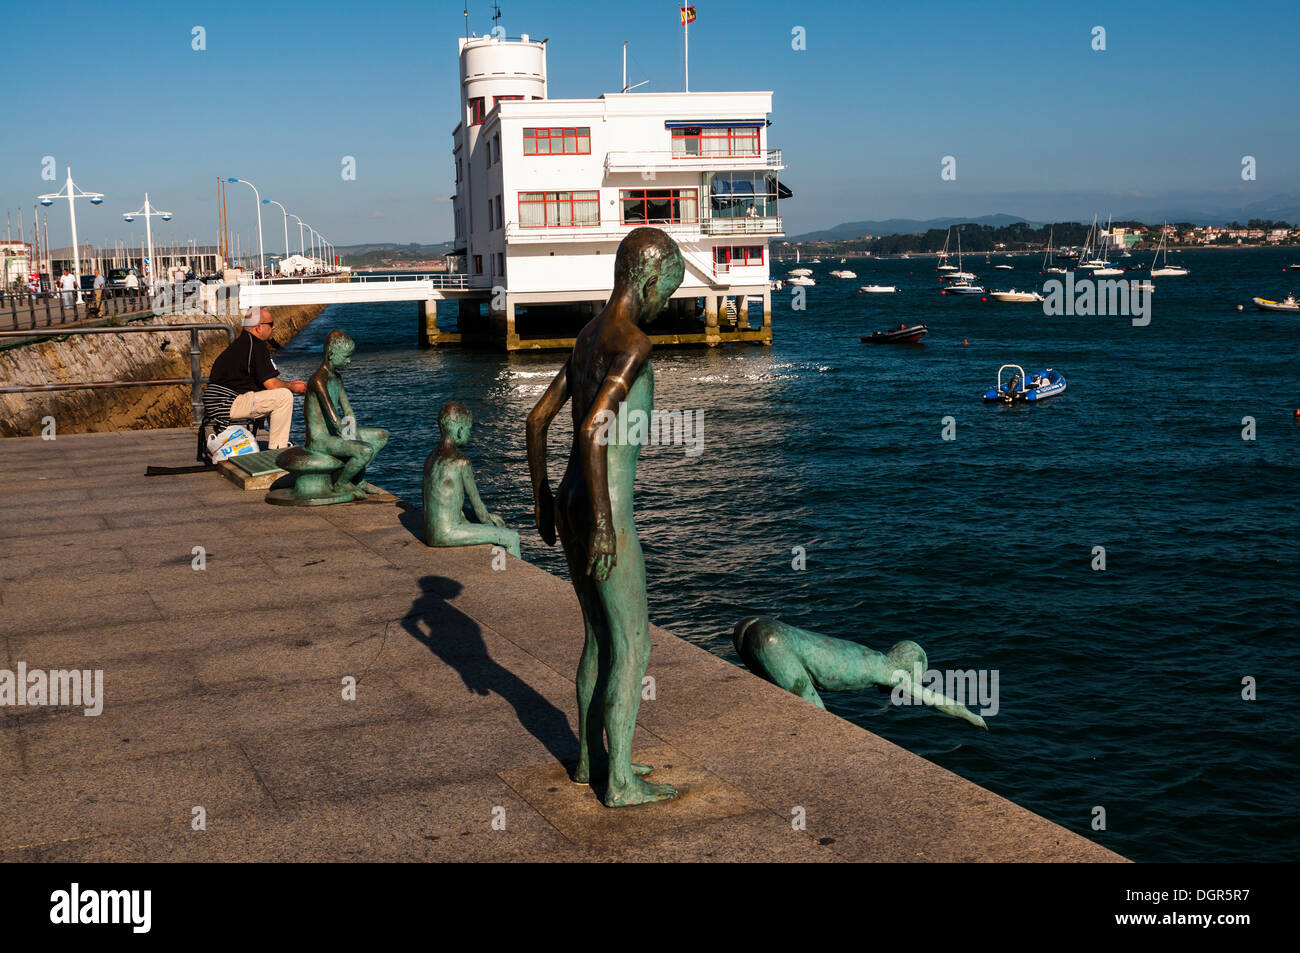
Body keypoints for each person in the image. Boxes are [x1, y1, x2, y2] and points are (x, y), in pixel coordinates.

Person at [527, 227, 685, 808]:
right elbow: (595, 430)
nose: (664, 306)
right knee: (632, 645)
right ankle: (619, 782)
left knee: (596, 636)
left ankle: (592, 759)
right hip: (604, 511)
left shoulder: (588, 335)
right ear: (647, 279)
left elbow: (538, 419)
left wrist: (542, 499)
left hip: (567, 500)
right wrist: (600, 523)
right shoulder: (633, 343)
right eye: (665, 293)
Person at [204, 307, 306, 449]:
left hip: (219, 402)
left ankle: (278, 444)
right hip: (226, 404)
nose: (274, 326)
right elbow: (271, 384)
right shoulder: (256, 346)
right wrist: (293, 387)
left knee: (277, 395)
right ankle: (278, 449)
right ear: (258, 328)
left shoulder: (243, 343)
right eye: (271, 324)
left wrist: (288, 384)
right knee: (284, 396)